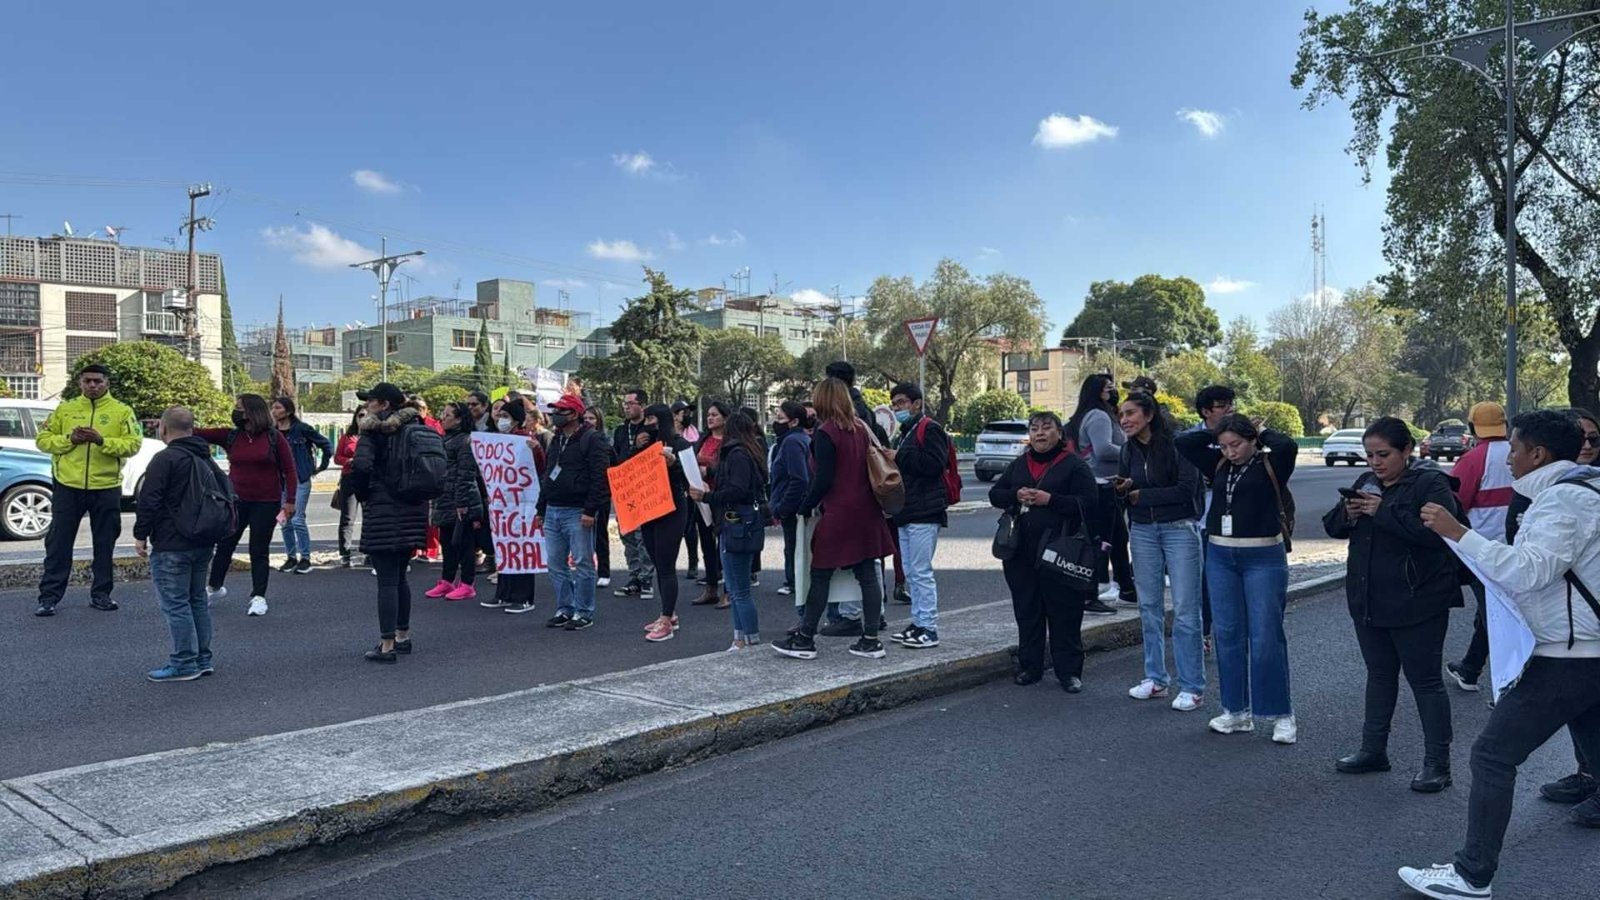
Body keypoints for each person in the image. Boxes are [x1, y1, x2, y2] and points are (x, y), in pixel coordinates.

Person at [1400, 410, 1600, 900]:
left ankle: (1471, 875)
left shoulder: (1563, 502)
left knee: (1492, 754)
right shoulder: (1585, 491)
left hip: (1570, 654)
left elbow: (1529, 571)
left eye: (1513, 448)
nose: (1506, 458)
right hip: (1585, 649)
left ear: (1538, 454)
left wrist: (1458, 532)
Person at [1323, 417, 1461, 794]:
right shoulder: (1366, 482)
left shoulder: (1430, 483)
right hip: (1369, 598)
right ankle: (1373, 750)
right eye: (1369, 455)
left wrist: (1381, 511)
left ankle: (1437, 763)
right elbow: (1334, 528)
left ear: (1406, 451)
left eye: (1383, 454)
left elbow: (1439, 537)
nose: (1376, 462)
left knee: (1426, 681)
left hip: (1418, 600)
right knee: (1379, 675)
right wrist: (1347, 513)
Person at [1176, 413, 1300, 744]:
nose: (1230, 451)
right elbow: (1183, 442)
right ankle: (1236, 710)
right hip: (1220, 555)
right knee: (1228, 634)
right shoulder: (1217, 462)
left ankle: (1280, 714)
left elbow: (1287, 444)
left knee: (1265, 636)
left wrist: (1259, 431)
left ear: (1253, 440)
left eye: (1237, 444)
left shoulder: (1273, 463)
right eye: (1225, 445)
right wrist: (1217, 433)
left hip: (1263, 555)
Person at [772, 378, 897, 661]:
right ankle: (871, 639)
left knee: (820, 575)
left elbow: (823, 478)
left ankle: (805, 638)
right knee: (867, 574)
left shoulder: (826, 433)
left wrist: (804, 506)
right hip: (866, 511)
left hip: (840, 512)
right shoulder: (860, 428)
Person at [987, 411, 1100, 691]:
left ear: (1059, 434)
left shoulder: (1074, 466)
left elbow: (1090, 502)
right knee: (1027, 609)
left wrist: (1051, 500)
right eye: (1035, 428)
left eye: (1046, 428)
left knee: (1065, 611)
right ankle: (1030, 666)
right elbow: (995, 495)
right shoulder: (1019, 464)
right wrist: (1015, 495)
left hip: (1059, 551)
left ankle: (1069, 672)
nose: (1040, 433)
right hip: (1021, 551)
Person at [1116, 391, 1206, 710]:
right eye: (1121, 414)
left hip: (1179, 528)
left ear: (1149, 415)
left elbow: (1188, 490)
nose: (1124, 419)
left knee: (1184, 609)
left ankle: (1193, 685)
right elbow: (1128, 492)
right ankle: (1155, 679)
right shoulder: (1128, 450)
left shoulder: (1179, 445)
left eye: (1130, 413)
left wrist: (1144, 496)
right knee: (1149, 606)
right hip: (1141, 530)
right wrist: (1123, 491)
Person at [34, 364, 145, 617]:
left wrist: (101, 441)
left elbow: (133, 445)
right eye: (87, 381)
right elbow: (42, 440)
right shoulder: (65, 409)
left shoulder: (122, 411)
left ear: (107, 383)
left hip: (105, 487)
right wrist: (69, 440)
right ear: (80, 383)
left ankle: (101, 594)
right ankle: (48, 597)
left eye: (97, 381)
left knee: (104, 544)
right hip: (67, 485)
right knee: (58, 544)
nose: (92, 386)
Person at [1536, 408, 1600, 818]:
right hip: (1564, 621)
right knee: (1584, 708)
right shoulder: (1544, 487)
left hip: (1588, 621)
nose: (1586, 447)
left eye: (1593, 439)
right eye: (1579, 440)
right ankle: (1587, 773)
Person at [133, 406, 229, 682]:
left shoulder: (166, 458)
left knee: (175, 604)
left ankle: (184, 662)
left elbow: (149, 500)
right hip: (202, 540)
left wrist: (141, 534)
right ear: (191, 428)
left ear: (163, 428)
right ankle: (202, 658)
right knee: (197, 600)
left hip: (172, 542)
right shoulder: (205, 457)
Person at [346, 382, 431, 663]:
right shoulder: (417, 427)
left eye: (371, 401)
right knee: (400, 575)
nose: (367, 406)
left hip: (383, 508)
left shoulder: (373, 430)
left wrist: (364, 493)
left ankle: (386, 644)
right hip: (413, 507)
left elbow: (361, 466)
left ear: (383, 405)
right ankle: (403, 635)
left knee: (386, 581)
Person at [199, 394, 297, 617]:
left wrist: (290, 501)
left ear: (252, 411)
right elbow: (196, 432)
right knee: (225, 544)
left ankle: (258, 596)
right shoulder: (232, 436)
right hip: (236, 501)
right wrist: (167, 424)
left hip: (267, 502)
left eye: (239, 408)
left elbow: (290, 470)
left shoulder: (274, 438)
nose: (236, 412)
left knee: (258, 550)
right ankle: (214, 588)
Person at [1445, 401, 1514, 694]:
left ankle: (1507, 683)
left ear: (1473, 427)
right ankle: (1470, 669)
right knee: (1491, 613)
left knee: (1494, 616)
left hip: (1480, 550)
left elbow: (1455, 503)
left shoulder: (1473, 460)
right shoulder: (1520, 453)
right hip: (1516, 546)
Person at [535, 394, 610, 630]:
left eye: (562, 411)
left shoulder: (592, 439)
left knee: (583, 562)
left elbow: (600, 477)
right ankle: (564, 608)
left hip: (577, 511)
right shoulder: (557, 439)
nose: (556, 415)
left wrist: (590, 510)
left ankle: (584, 611)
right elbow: (548, 475)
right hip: (553, 509)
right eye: (555, 410)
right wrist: (541, 508)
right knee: (556, 563)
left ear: (575, 414)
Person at [887, 382, 951, 649]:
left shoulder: (930, 428)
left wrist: (899, 456)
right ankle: (918, 622)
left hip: (925, 511)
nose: (898, 408)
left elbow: (934, 465)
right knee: (912, 572)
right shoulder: (906, 432)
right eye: (894, 404)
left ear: (916, 403)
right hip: (907, 510)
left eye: (902, 402)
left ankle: (929, 628)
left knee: (921, 571)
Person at [1064, 372, 1132, 614]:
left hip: (1101, 483)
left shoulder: (1087, 415)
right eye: (1108, 388)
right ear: (1097, 391)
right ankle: (1088, 593)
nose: (1113, 391)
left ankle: (1126, 587)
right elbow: (1103, 450)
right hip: (1101, 485)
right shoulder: (1099, 416)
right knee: (1100, 542)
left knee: (1118, 539)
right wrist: (1130, 451)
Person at [638, 403, 694, 642]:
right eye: (646, 419)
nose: (649, 424)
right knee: (658, 563)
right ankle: (668, 614)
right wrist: (635, 448)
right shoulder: (645, 445)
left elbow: (692, 479)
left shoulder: (681, 444)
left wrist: (674, 466)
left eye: (652, 419)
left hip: (672, 510)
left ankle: (666, 617)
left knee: (667, 564)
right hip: (648, 510)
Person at [483, 400, 545, 615]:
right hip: (502, 505)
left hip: (522, 504)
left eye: (506, 417)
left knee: (521, 549)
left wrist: (536, 451)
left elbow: (537, 468)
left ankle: (524, 597)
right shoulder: (496, 441)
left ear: (516, 420)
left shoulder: (525, 441)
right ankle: (504, 593)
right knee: (505, 548)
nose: (501, 420)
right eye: (499, 416)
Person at [1191, 384, 1238, 653]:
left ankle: (1227, 634)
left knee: (1225, 581)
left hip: (1229, 520)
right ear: (1206, 411)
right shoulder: (1191, 438)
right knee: (1202, 582)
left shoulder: (1240, 438)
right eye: (1222, 405)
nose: (1229, 409)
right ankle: (1205, 632)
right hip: (1197, 519)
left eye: (1231, 404)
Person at [424, 401, 486, 602]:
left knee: (464, 543)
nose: (443, 418)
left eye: (448, 415)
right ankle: (447, 580)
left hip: (461, 500)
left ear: (459, 419)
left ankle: (467, 584)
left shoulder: (466, 441)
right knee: (447, 542)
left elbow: (466, 475)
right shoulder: (446, 439)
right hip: (445, 498)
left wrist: (462, 502)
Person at [271, 396, 332, 574]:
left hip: (299, 478)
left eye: (278, 408)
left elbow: (326, 445)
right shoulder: (272, 431)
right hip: (280, 480)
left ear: (288, 411)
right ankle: (291, 557)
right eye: (273, 408)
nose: (274, 411)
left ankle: (305, 558)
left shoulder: (301, 429)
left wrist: (321, 466)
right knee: (284, 521)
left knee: (297, 519)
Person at [612, 388, 656, 600]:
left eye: (631, 403)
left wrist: (639, 449)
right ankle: (635, 576)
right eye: (625, 403)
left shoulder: (651, 428)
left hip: (644, 489)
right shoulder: (621, 431)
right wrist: (633, 449)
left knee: (643, 535)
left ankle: (647, 577)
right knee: (627, 534)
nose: (626, 407)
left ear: (642, 405)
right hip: (624, 489)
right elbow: (618, 458)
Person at [768, 400, 812, 601]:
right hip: (796, 506)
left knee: (795, 549)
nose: (775, 422)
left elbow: (799, 478)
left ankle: (795, 584)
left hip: (793, 508)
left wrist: (783, 507)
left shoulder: (792, 442)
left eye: (780, 418)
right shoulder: (800, 439)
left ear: (794, 421)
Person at [691, 401, 731, 606]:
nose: (710, 418)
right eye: (708, 414)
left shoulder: (732, 441)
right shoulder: (703, 439)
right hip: (701, 496)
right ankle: (711, 587)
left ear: (725, 418)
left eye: (714, 414)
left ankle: (729, 591)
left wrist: (710, 471)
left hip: (721, 496)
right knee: (706, 542)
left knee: (724, 544)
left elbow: (731, 467)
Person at [584, 406, 614, 588]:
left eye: (592, 418)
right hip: (582, 493)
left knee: (600, 534)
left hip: (601, 494)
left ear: (599, 421)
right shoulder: (577, 441)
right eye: (585, 417)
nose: (588, 421)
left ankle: (604, 571)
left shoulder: (605, 443)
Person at [673, 401, 703, 579]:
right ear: (675, 415)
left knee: (691, 526)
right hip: (675, 484)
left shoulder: (695, 435)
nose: (687, 416)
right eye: (684, 412)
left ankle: (693, 562)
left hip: (692, 483)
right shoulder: (668, 436)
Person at [334, 411, 363, 568]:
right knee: (347, 517)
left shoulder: (374, 436)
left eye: (366, 415)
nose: (363, 419)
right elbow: (337, 457)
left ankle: (368, 552)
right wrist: (348, 461)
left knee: (370, 517)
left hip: (367, 478)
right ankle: (345, 553)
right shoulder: (347, 437)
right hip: (349, 477)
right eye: (360, 415)